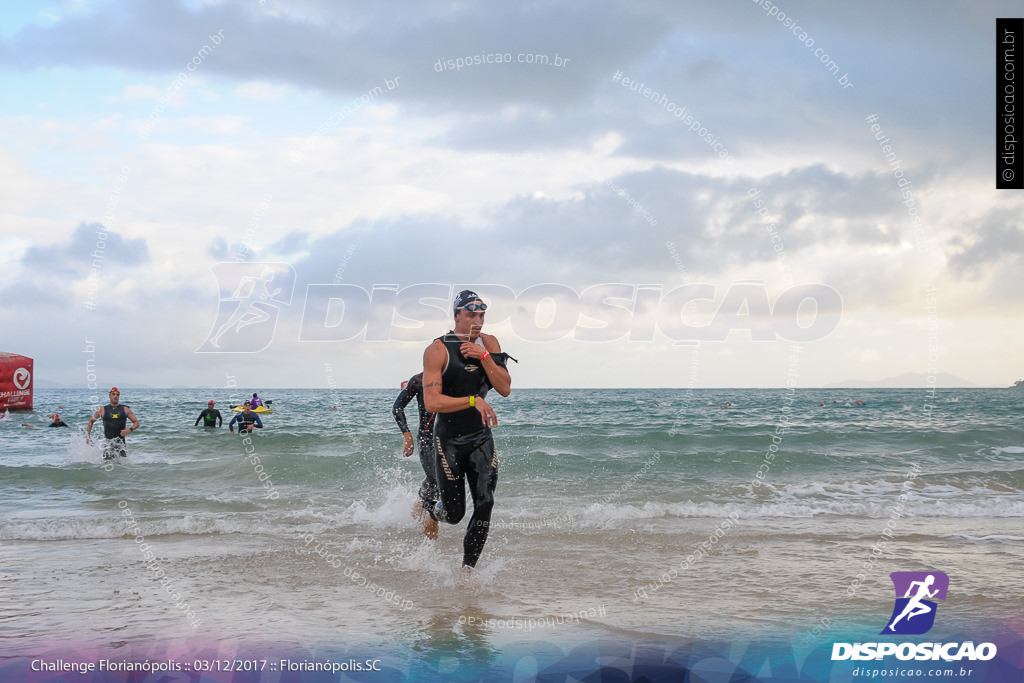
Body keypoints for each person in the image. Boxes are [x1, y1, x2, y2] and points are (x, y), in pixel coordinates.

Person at [423, 290, 513, 578]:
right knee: (454, 514)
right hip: (448, 440)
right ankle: (432, 510)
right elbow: (432, 402)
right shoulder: (437, 349)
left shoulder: (489, 343)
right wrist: (473, 401)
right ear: (457, 316)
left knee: (485, 502)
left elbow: (505, 387)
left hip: (480, 437)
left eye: (482, 314)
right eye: (471, 314)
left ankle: (467, 572)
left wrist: (484, 355)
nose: (478, 320)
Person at [392, 373, 439, 538]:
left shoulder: (456, 376)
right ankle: (431, 515)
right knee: (435, 478)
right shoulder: (418, 380)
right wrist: (407, 435)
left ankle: (422, 501)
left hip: (450, 438)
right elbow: (397, 407)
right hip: (427, 438)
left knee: (448, 480)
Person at [86, 388, 140, 460]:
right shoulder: (102, 410)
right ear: (109, 395)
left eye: (117, 395)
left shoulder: (125, 409)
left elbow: (136, 423)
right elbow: (91, 421)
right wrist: (88, 436)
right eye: (113, 394)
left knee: (123, 468)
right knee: (108, 467)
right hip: (108, 445)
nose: (115, 396)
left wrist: (129, 430)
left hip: (121, 446)